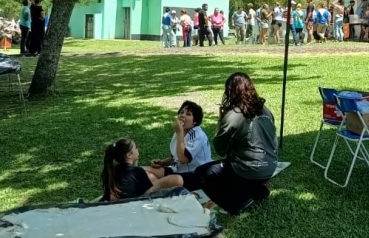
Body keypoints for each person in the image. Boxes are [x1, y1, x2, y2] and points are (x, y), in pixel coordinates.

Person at [194, 73, 277, 215]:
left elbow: (220, 148)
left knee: (201, 173)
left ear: (230, 92)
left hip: (248, 169)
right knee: (230, 169)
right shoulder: (266, 110)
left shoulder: (234, 114)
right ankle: (258, 191)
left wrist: (221, 120)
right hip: (270, 166)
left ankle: (236, 203)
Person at [147, 101, 212, 191]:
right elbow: (177, 155)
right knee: (148, 171)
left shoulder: (197, 136)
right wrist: (163, 162)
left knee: (170, 180)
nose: (182, 115)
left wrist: (179, 133)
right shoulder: (181, 131)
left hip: (196, 176)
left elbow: (183, 159)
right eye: (181, 112)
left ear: (195, 122)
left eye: (188, 114)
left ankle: (145, 192)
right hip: (178, 169)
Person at [101, 138, 183, 201]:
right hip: (134, 202)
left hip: (120, 200)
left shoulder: (112, 170)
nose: (137, 150)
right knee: (176, 179)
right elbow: (148, 191)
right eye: (135, 148)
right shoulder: (137, 172)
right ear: (129, 155)